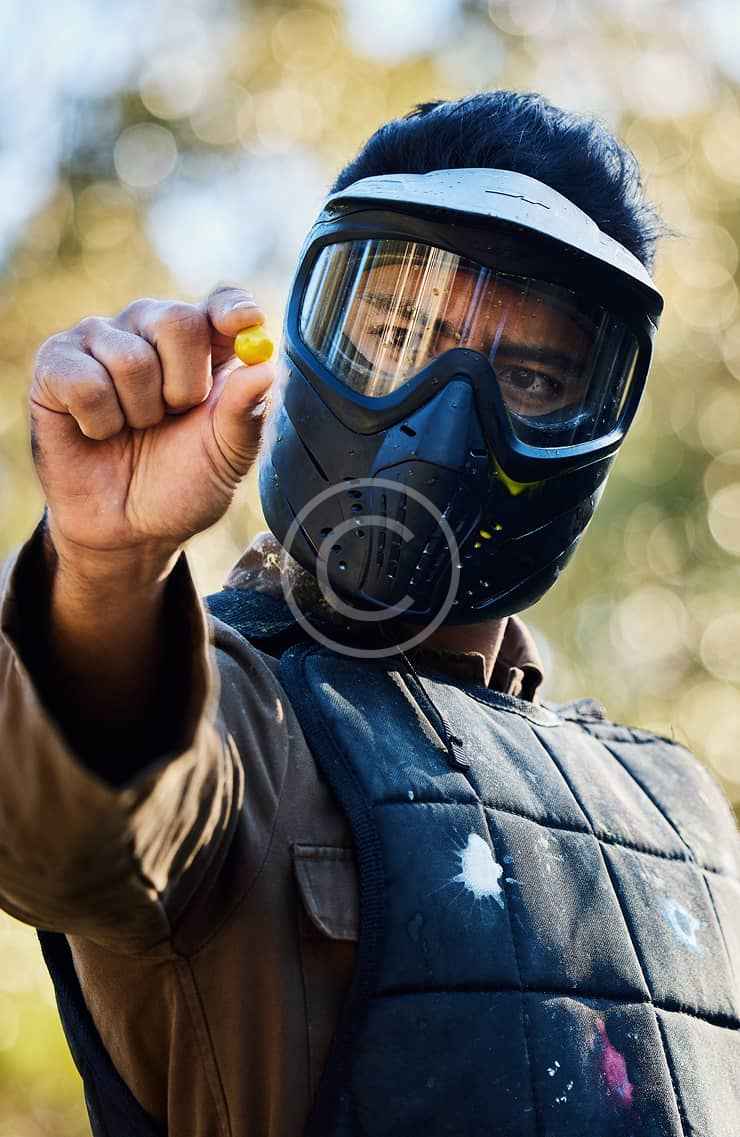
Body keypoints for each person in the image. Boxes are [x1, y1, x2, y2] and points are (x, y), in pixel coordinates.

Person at [0, 91, 738, 1137]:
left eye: (530, 374)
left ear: (593, 424)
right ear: (308, 341)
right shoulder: (234, 726)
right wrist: (104, 566)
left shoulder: (680, 805)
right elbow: (71, 825)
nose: (449, 411)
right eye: (396, 333)